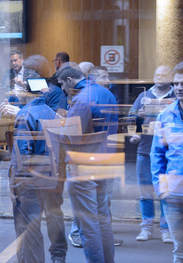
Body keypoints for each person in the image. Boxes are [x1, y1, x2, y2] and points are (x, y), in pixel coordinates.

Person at [8, 55, 68, 263]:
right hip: (49, 178)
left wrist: (18, 184)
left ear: (25, 87)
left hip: (30, 182)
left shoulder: (25, 115)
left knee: (29, 234)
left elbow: (23, 156)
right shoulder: (50, 113)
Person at [57, 66, 118, 263]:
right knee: (103, 220)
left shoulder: (82, 99)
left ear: (68, 80)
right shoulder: (105, 92)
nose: (63, 90)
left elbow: (71, 137)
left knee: (88, 224)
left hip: (83, 166)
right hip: (106, 162)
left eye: (62, 85)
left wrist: (57, 126)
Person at [129, 66, 174, 243]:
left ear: (170, 78)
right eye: (156, 74)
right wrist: (136, 126)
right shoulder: (144, 96)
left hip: (169, 152)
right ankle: (146, 228)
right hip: (145, 149)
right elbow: (132, 118)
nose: (159, 77)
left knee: (166, 192)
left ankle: (166, 229)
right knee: (145, 192)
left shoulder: (177, 97)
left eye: (163, 75)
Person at [151, 60, 183, 262]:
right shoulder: (165, 115)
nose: (179, 88)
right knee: (180, 252)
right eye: (176, 84)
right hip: (173, 194)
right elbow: (157, 154)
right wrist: (160, 188)